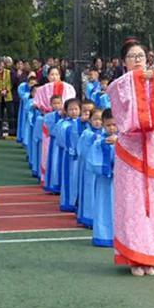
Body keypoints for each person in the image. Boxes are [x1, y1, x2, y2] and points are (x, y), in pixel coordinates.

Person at [108, 37, 154, 277]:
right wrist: (139, 80)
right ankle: (134, 257)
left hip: (151, 145)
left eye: (141, 56)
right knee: (133, 202)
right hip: (130, 147)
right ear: (124, 62)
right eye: (132, 57)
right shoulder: (120, 84)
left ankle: (152, 254)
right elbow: (119, 105)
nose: (138, 60)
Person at [87, 108, 117, 247]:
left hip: (120, 180)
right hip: (105, 181)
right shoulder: (99, 141)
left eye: (114, 125)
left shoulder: (123, 140)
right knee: (104, 205)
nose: (111, 128)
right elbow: (92, 160)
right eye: (108, 125)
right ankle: (103, 235)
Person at [76, 108, 103, 228]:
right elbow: (82, 150)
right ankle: (88, 217)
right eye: (95, 119)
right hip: (89, 169)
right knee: (89, 191)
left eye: (101, 120)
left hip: (101, 170)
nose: (98, 122)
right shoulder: (87, 134)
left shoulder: (105, 134)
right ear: (90, 120)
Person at [55, 98, 83, 212]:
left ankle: (78, 201)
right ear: (66, 111)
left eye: (76, 109)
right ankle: (68, 201)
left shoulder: (84, 123)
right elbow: (61, 138)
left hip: (81, 157)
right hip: (69, 156)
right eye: (71, 109)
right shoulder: (63, 123)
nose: (74, 112)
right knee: (69, 177)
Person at [42, 95, 63, 194]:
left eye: (59, 103)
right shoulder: (49, 116)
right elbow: (52, 131)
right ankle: (53, 185)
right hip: (55, 143)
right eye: (54, 103)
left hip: (64, 144)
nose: (57, 105)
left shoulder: (65, 115)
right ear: (50, 105)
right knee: (54, 162)